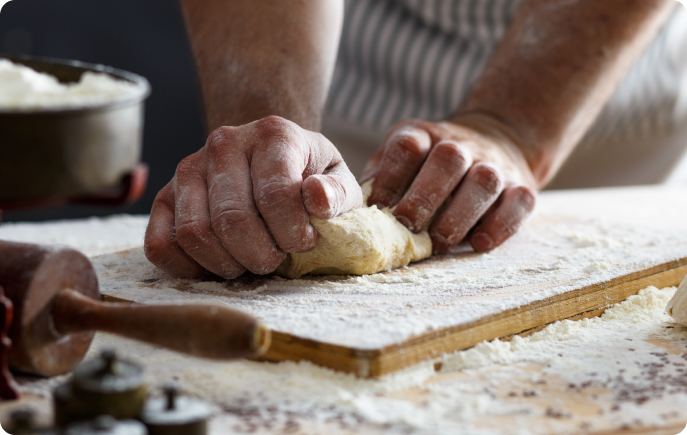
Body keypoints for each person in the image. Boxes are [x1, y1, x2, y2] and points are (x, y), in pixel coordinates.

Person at [144, 0, 686, 280]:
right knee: (292, 225)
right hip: (349, 87)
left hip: (610, 103)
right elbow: (277, 172)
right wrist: (267, 134)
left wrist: (511, 127)